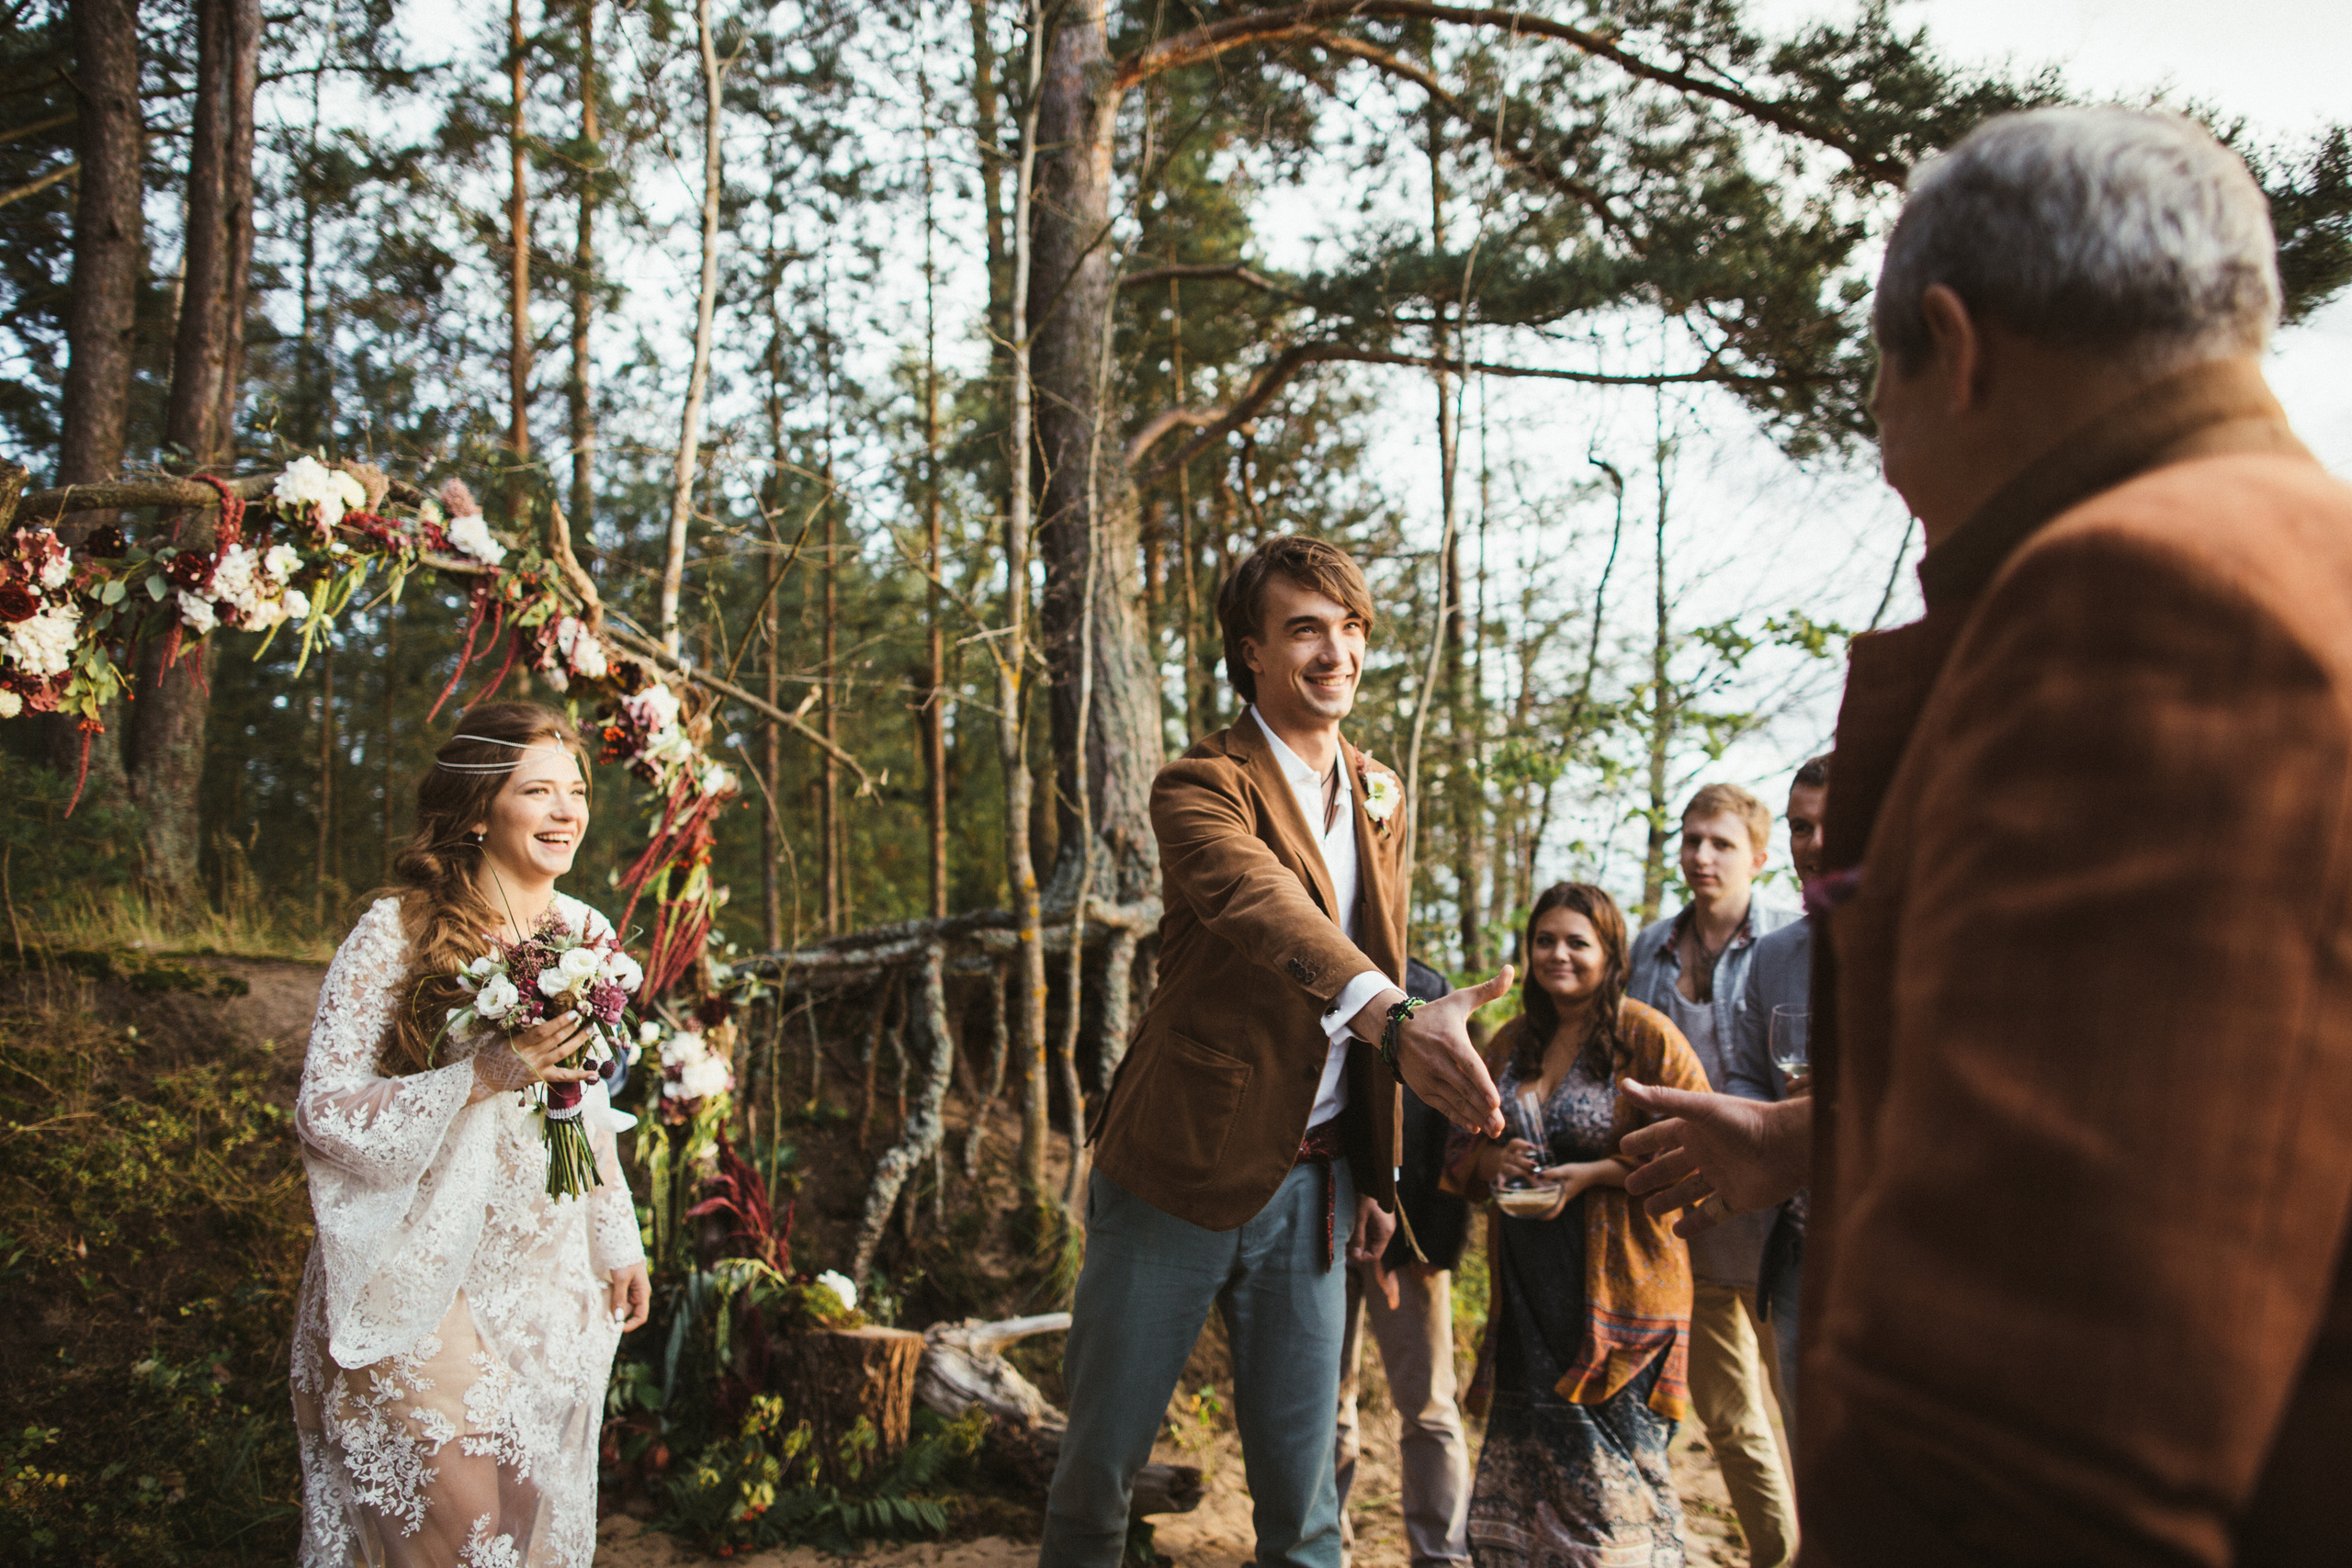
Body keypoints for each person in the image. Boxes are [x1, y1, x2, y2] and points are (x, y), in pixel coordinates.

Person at [1620, 107, 2352, 1563]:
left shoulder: (2144, 605)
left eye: (1874, 393)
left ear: (1953, 348)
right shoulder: (2296, 558)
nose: (1885, 451)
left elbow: (2041, 1409)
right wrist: (1794, 1134)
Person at [1046, 536, 1510, 1568]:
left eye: (1350, 628)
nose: (1335, 651)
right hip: (1175, 1169)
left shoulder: (1381, 789)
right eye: (1305, 627)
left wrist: (1374, 1170)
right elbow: (1263, 910)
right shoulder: (1197, 785)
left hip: (1316, 1195)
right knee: (1097, 1476)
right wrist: (1391, 1014)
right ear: (1249, 651)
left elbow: (1378, 945)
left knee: (1304, 1510)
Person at [289, 702, 651, 1567]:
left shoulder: (589, 933)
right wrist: (481, 1074)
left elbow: (585, 1105)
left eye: (576, 790)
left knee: (522, 1539)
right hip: (420, 1270)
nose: (567, 812)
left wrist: (618, 1238)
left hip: (545, 1274)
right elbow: (324, 1108)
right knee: (464, 1546)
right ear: (481, 805)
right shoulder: (399, 931)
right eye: (538, 790)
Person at [1443, 883, 1713, 1568]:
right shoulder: (1511, 1042)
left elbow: (1703, 1150)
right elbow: (1458, 1156)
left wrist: (1594, 1175)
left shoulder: (1645, 1037)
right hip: (1527, 1296)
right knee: (1528, 1477)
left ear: (1610, 952)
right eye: (1545, 940)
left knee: (1612, 1490)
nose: (1557, 954)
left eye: (1576, 942)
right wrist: (1492, 1156)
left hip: (1620, 1296)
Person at [1623, 784, 1797, 1567]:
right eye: (1692, 840)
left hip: (1786, 1222)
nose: (1701, 855)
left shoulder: (1790, 945)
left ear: (1760, 856)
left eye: (1721, 843)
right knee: (1731, 1419)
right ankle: (1776, 1552)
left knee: (1803, 1407)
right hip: (1695, 1224)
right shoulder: (1648, 949)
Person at [1333, 957, 1474, 1568]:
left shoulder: (1430, 987)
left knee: (1428, 1405)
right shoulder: (1315, 968)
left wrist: (1434, 1246)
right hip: (1324, 1227)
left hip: (1408, 1237)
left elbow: (1451, 1124)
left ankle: (1442, 1554)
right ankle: (1321, 1542)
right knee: (1324, 1402)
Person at [1720, 757, 1829, 1440]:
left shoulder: (1929, 937)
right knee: (1806, 1448)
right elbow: (1745, 1078)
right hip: (1795, 1250)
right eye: (1800, 826)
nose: (1812, 843)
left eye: (1829, 825)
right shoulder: (1774, 954)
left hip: (1896, 1250)